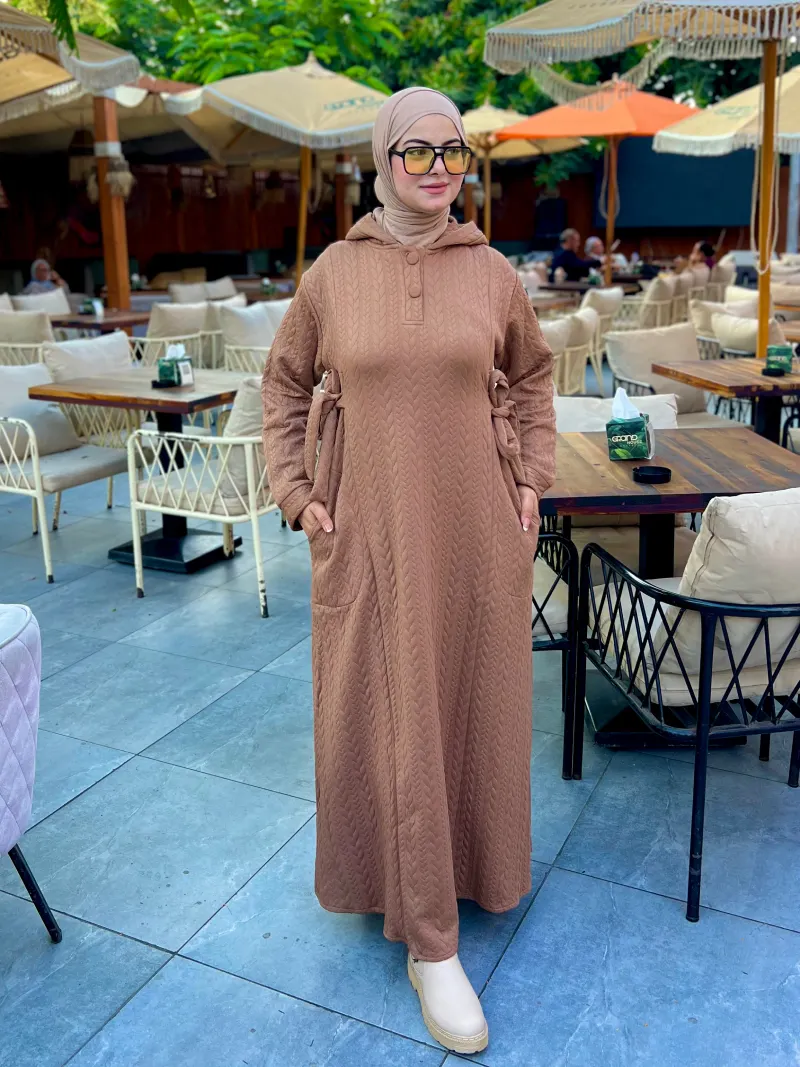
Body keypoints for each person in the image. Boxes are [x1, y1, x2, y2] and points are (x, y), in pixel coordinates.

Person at [261, 87, 556, 1056]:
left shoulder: (492, 273)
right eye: (417, 152)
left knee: (468, 701)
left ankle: (465, 874)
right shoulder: (334, 274)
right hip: (371, 528)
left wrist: (531, 477)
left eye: (453, 153)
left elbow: (532, 374)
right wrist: (296, 490)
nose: (438, 170)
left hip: (475, 531)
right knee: (383, 705)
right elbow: (284, 382)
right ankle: (429, 938)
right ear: (382, 160)